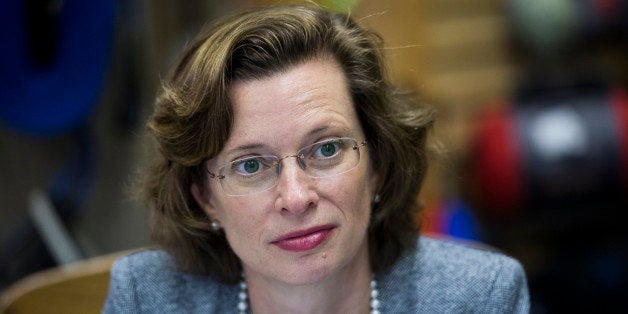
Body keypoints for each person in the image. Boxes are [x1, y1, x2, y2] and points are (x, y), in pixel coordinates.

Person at [104, 3, 529, 313]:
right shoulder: (147, 298)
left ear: (377, 165)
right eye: (250, 165)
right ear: (204, 196)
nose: (295, 196)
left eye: (326, 149)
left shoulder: (481, 297)